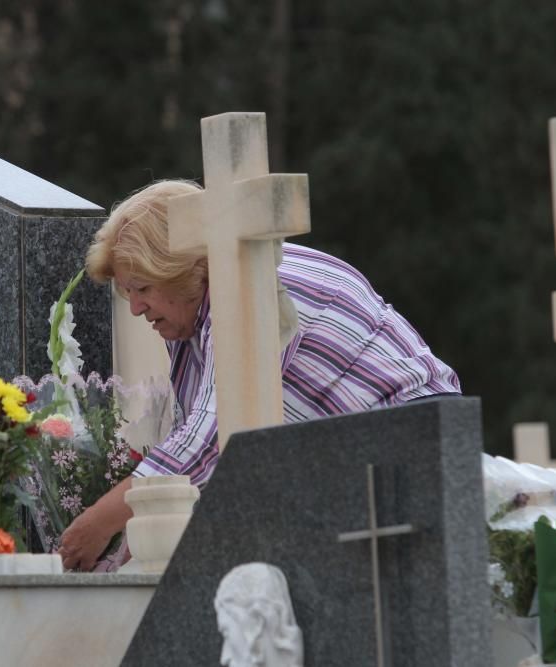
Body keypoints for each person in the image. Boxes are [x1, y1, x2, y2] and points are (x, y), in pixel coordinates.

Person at [57, 180, 460, 571]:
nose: (136, 309)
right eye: (129, 294)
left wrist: (99, 523)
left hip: (411, 443)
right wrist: (134, 544)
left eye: (142, 288)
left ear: (183, 267)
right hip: (361, 457)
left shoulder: (249, 286)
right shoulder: (194, 310)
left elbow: (213, 438)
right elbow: (203, 465)